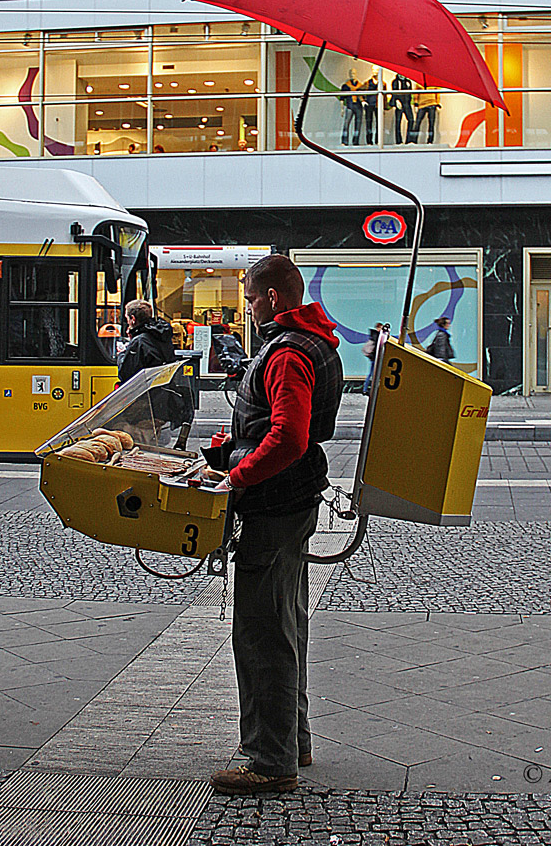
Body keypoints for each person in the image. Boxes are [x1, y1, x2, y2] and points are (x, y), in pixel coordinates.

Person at [209, 254, 343, 796]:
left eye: (250, 298)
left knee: (264, 633)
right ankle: (294, 741)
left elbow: (288, 436)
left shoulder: (288, 351)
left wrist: (237, 476)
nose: (247, 307)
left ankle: (269, 761)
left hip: (274, 503)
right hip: (293, 498)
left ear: (272, 298)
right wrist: (232, 447)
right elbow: (275, 424)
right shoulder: (314, 342)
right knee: (286, 624)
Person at [117, 300, 176, 383]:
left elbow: (126, 374)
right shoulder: (160, 335)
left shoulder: (139, 341)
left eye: (127, 318)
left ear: (133, 319)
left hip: (145, 390)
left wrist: (122, 353)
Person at [339, 68, 364, 145]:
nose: (352, 75)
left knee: (358, 124)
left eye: (354, 73)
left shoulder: (360, 85)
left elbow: (362, 97)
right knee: (346, 123)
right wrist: (342, 108)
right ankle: (344, 141)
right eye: (351, 73)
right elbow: (342, 98)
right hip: (350, 106)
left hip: (358, 106)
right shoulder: (346, 86)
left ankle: (356, 141)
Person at [390, 74, 415, 144]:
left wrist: (410, 102)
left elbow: (410, 93)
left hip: (407, 103)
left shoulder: (408, 82)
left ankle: (409, 139)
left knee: (411, 120)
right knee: (398, 122)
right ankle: (398, 141)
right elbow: (394, 92)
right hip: (399, 103)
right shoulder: (395, 82)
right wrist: (396, 101)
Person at [361, 322, 383, 394]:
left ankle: (366, 389)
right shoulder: (376, 336)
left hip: (373, 358)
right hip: (374, 358)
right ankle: (368, 389)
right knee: (373, 373)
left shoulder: (374, 336)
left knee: (372, 373)